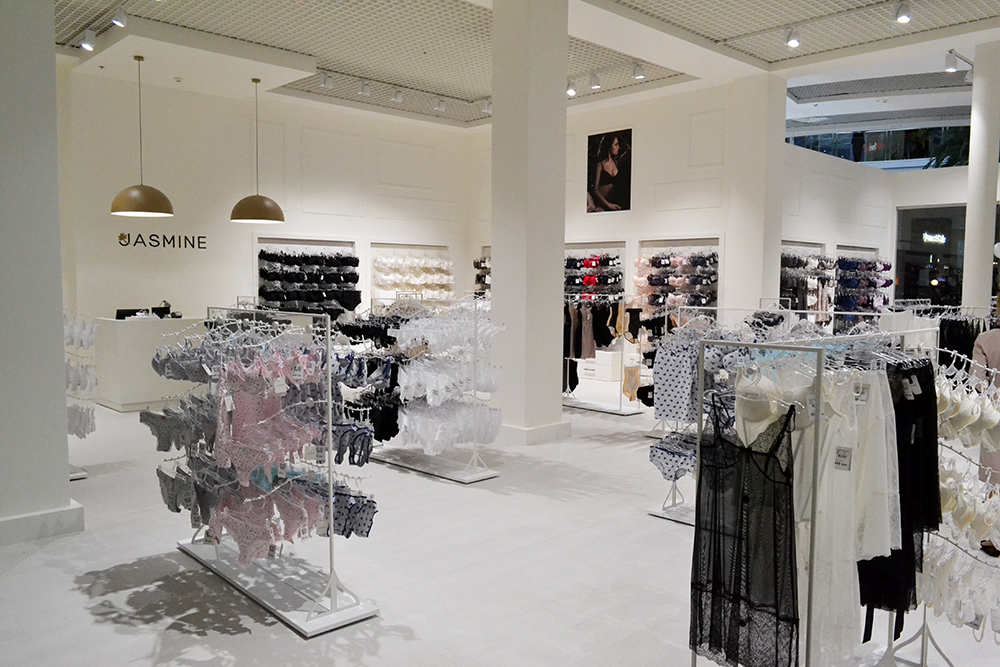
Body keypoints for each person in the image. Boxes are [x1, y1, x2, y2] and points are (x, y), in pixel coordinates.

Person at [972, 310, 1000, 557]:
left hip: (995, 414)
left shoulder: (986, 340)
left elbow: (977, 381)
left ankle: (993, 537)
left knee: (994, 478)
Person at [589, 133, 628, 212]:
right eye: (616, 145)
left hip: (612, 200)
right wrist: (608, 204)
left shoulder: (616, 162)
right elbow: (595, 190)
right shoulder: (600, 164)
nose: (618, 147)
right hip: (602, 202)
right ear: (609, 146)